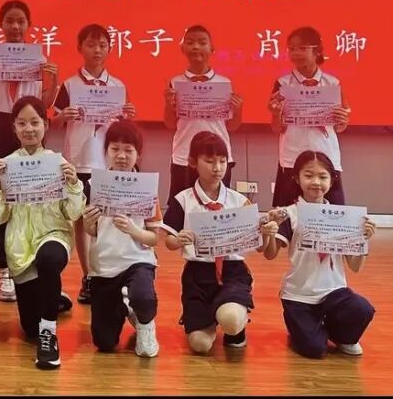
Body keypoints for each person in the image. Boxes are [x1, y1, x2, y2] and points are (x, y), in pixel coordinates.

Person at [0, 0, 60, 302]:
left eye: (21, 21)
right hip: (0, 126)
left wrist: (53, 79)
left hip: (29, 127)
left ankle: (32, 259)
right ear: (1, 24)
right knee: (0, 196)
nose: (15, 26)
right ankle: (4, 270)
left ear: (29, 25)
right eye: (9, 20)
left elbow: (44, 105)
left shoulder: (40, 59)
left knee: (32, 195)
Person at [0, 96, 84, 369]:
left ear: (46, 125)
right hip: (20, 248)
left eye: (35, 122)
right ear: (14, 128)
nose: (29, 129)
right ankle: (53, 299)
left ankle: (49, 335)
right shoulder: (5, 166)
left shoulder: (59, 163)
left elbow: (73, 213)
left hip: (53, 234)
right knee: (29, 327)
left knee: (49, 260)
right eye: (22, 123)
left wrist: (73, 183)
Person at [262, 150, 377, 358]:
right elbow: (270, 254)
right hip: (299, 295)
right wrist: (268, 233)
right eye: (308, 175)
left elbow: (355, 266)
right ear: (296, 178)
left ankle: (339, 336)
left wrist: (363, 239)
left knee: (363, 309)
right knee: (314, 349)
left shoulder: (344, 217)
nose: (316, 182)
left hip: (334, 292)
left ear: (332, 180)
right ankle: (303, 327)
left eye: (323, 177)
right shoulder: (289, 213)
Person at [53, 22, 135, 304]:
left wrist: (128, 115)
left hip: (108, 165)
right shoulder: (69, 85)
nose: (97, 50)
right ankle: (88, 275)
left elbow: (124, 128)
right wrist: (63, 116)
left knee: (108, 220)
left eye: (102, 45)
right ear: (80, 48)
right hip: (78, 162)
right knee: (81, 220)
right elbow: (53, 121)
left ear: (110, 49)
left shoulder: (118, 86)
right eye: (91, 44)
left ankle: (107, 274)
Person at [161, 131, 263, 354]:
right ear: (192, 162)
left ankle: (236, 320)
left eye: (222, 161)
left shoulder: (239, 201)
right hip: (197, 275)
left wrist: (265, 229)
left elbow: (259, 244)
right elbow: (168, 240)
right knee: (200, 345)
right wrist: (177, 240)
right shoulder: (183, 200)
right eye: (209, 161)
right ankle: (207, 316)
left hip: (232, 271)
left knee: (231, 320)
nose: (217, 168)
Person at [83, 120, 161, 358]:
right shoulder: (93, 186)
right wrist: (88, 223)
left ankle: (146, 323)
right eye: (115, 149)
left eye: (128, 150)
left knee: (143, 296)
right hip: (104, 266)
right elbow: (92, 232)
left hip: (138, 260)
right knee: (104, 342)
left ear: (138, 154)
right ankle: (126, 307)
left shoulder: (147, 188)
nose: (121, 156)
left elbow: (154, 238)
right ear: (106, 151)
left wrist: (133, 230)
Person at [268, 27, 351, 207]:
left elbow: (340, 126)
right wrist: (275, 114)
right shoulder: (283, 83)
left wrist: (343, 121)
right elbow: (277, 128)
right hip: (293, 155)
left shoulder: (332, 83)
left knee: (331, 213)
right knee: (288, 213)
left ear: (317, 50)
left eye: (302, 48)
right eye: (292, 48)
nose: (296, 53)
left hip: (325, 154)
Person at [162, 24, 243, 200]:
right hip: (184, 156)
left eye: (202, 42)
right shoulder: (175, 83)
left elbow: (233, 127)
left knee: (216, 207)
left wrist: (238, 109)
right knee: (182, 207)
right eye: (190, 43)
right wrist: (168, 104)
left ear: (212, 48)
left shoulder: (224, 83)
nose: (196, 47)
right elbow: (169, 124)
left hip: (217, 157)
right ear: (183, 48)